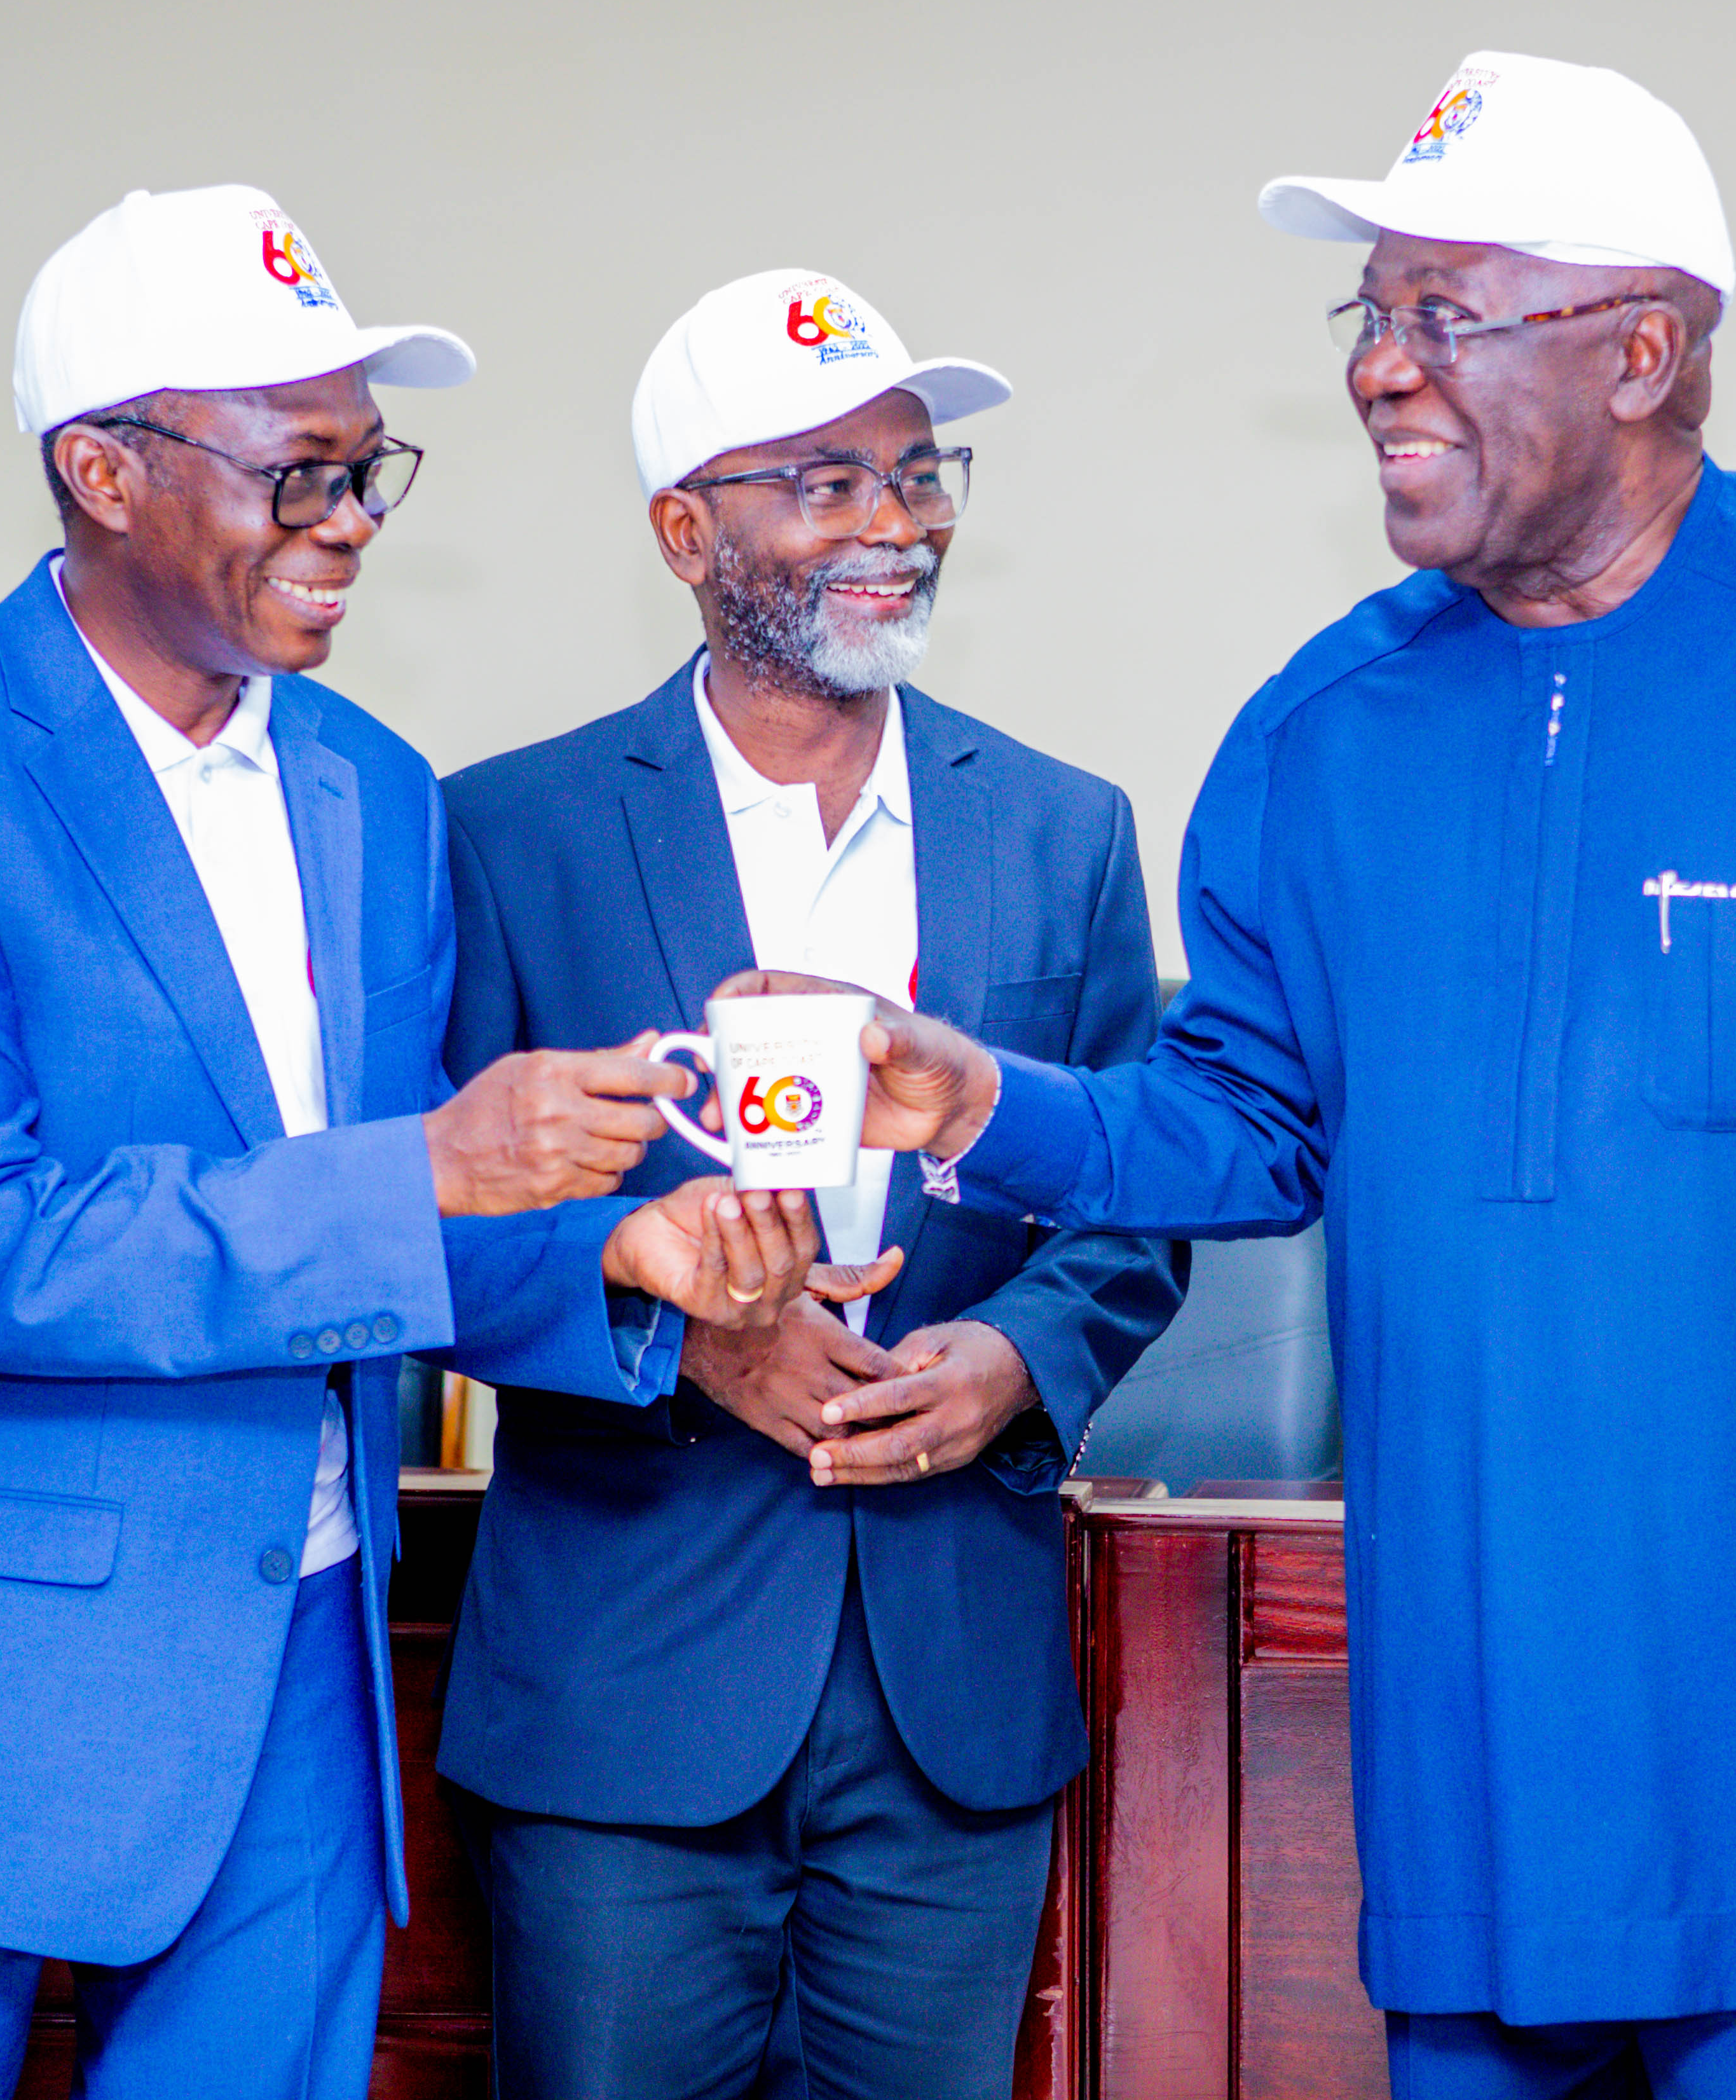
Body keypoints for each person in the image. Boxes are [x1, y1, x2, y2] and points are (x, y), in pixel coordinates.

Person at [761, 53, 1736, 2100]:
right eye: (1371, 313)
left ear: (1645, 352)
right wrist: (975, 1097)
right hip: (1479, 1766)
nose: (1379, 366)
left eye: (1446, 310)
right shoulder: (1321, 728)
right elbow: (1242, 1126)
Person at [0, 184, 833, 2100]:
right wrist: (439, 1170)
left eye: (370, 468)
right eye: (299, 473)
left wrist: (617, 1255)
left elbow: (388, 1227)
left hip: (292, 1669)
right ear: (101, 472)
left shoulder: (367, 785)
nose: (351, 520)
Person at [432, 269, 1183, 2100]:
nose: (893, 524)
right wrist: (682, 1340)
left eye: (917, 476)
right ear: (685, 531)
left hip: (955, 1693)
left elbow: (1134, 1191)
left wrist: (1010, 1360)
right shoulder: (502, 830)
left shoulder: (1062, 828)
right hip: (624, 1687)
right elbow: (424, 1212)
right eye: (822, 481)